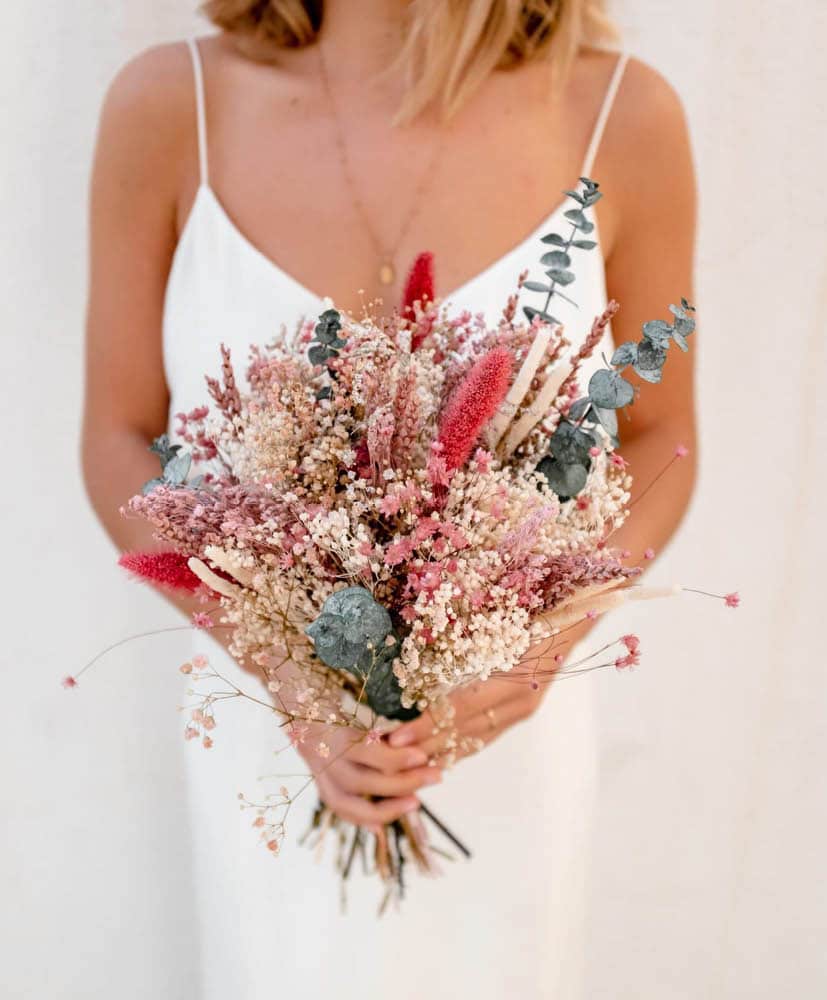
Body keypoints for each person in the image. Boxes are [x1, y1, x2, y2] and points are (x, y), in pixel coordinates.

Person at [82, 2, 697, 996]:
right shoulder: (171, 105)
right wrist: (284, 668)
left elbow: (660, 433)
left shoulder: (618, 115)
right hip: (263, 739)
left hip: (498, 736)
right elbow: (116, 434)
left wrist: (538, 646)